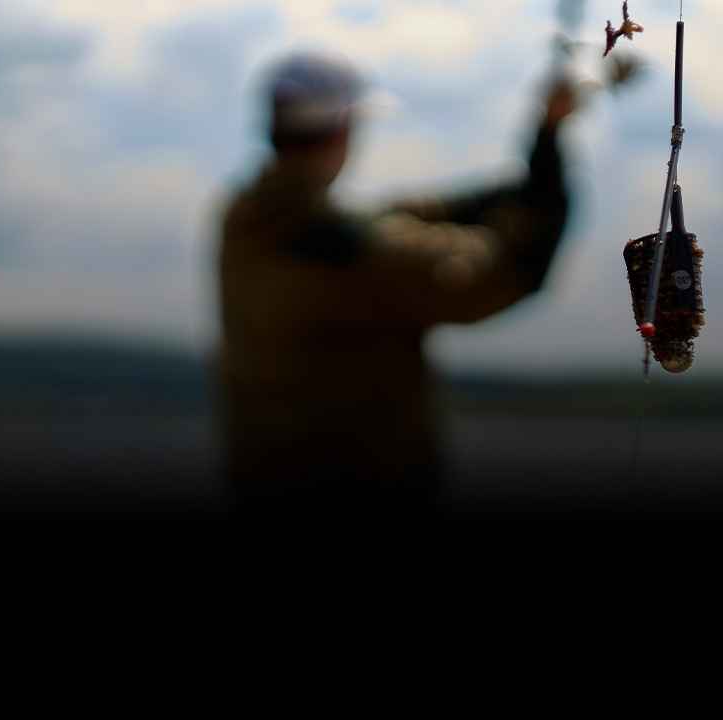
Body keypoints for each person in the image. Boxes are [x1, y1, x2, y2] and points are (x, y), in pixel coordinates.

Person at [216, 52, 579, 515]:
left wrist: (525, 170)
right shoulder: (329, 243)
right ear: (343, 131)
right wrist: (547, 173)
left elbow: (391, 219)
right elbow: (494, 274)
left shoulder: (248, 216)